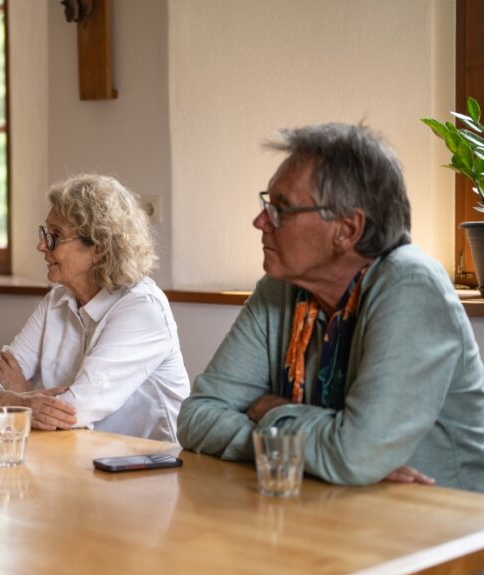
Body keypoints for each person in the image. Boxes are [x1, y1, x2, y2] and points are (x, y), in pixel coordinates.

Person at [177, 123, 484, 491]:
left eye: (281, 209)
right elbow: (196, 417)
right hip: (335, 512)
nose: (260, 221)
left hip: (443, 530)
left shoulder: (411, 286)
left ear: (347, 229)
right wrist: (316, 452)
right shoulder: (280, 289)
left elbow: (355, 456)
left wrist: (269, 411)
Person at [0, 174, 189, 443]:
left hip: (147, 468)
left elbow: (73, 412)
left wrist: (13, 399)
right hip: (74, 457)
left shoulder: (142, 308)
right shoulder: (56, 301)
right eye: (45, 233)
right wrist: (18, 399)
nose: (41, 246)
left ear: (99, 247)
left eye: (55, 236)